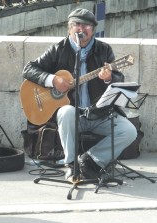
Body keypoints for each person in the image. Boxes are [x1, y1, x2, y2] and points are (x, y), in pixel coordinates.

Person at [22, 8, 137, 180]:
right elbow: (29, 69)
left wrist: (109, 78)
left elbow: (118, 80)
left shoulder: (104, 50)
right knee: (66, 111)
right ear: (69, 28)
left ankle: (90, 160)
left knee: (129, 131)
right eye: (77, 24)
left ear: (93, 29)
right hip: (72, 115)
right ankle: (71, 164)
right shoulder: (58, 49)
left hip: (98, 114)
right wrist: (53, 80)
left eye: (87, 25)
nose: (81, 29)